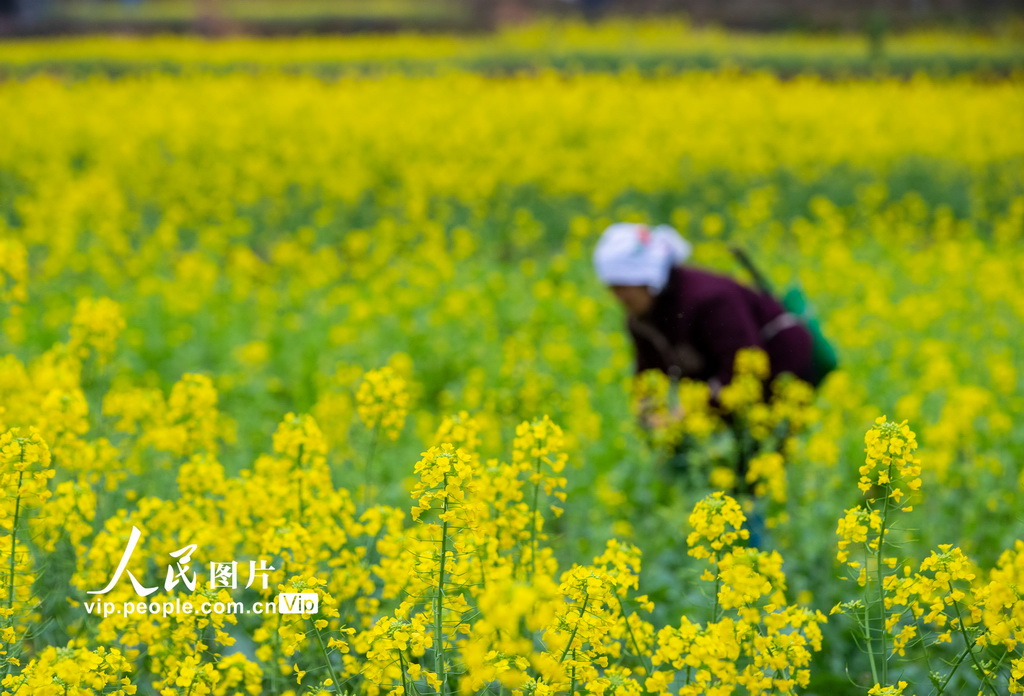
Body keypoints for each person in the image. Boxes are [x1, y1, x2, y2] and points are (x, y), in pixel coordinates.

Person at [593, 222, 815, 406]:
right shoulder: (642, 317)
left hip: (782, 379)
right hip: (727, 396)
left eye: (621, 287)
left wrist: (692, 409)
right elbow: (649, 375)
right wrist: (650, 411)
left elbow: (742, 369)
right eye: (611, 287)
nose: (617, 296)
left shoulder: (711, 300)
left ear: (645, 279)